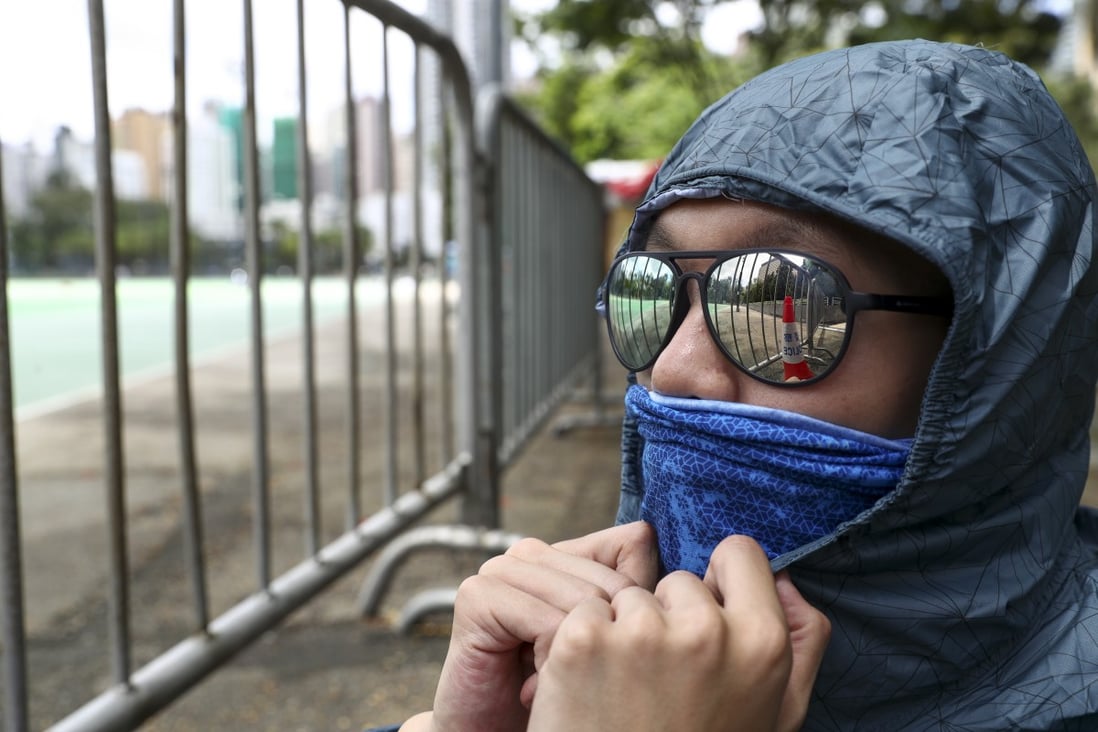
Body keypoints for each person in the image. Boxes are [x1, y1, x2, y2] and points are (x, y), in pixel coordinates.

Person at [375, 38, 1098, 730]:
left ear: (995, 363)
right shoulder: (565, 672)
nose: (672, 369)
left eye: (780, 302)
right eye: (653, 293)